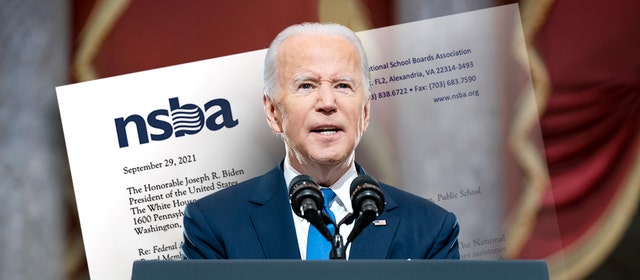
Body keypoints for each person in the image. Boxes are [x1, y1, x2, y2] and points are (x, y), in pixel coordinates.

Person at [181, 22, 460, 260]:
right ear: (272, 112)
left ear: (365, 112)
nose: (328, 103)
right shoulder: (213, 223)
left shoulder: (431, 229)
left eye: (342, 85)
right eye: (307, 85)